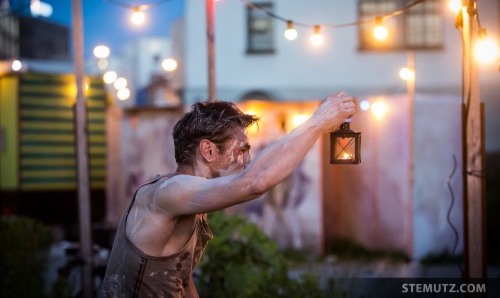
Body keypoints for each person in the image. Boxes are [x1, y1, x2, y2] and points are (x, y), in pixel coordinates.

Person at [99, 92, 355, 298]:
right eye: (241, 150)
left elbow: (182, 282)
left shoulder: (193, 203)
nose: (246, 161)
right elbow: (255, 182)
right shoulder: (169, 192)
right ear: (208, 151)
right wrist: (317, 123)